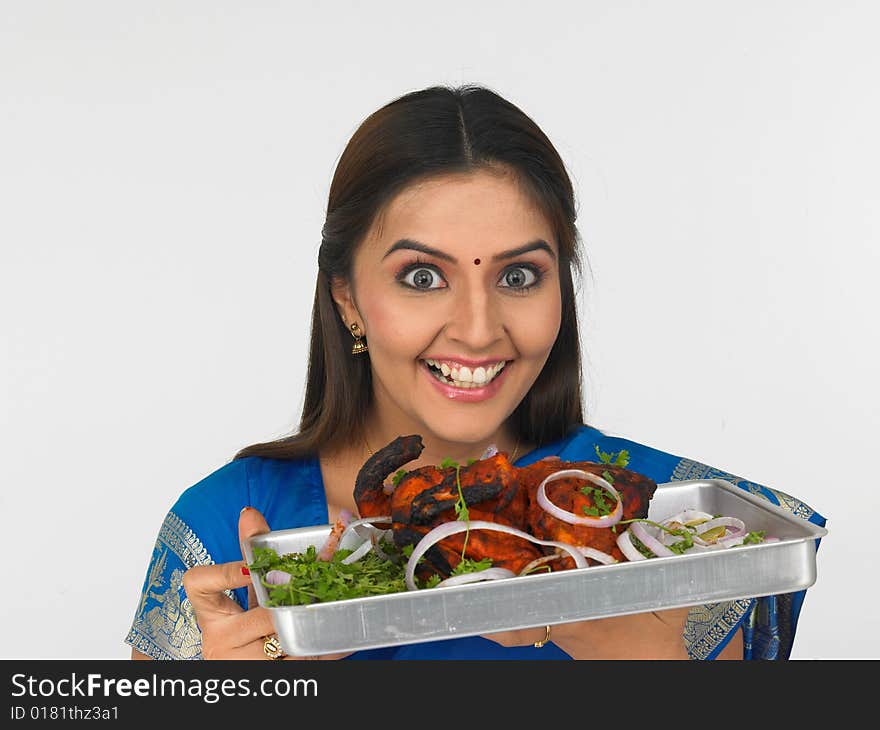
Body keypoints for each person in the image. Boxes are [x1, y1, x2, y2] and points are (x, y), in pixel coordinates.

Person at [126, 84, 826, 661]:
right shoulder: (225, 530)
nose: (479, 328)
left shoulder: (674, 534)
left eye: (520, 275)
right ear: (347, 298)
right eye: (422, 275)